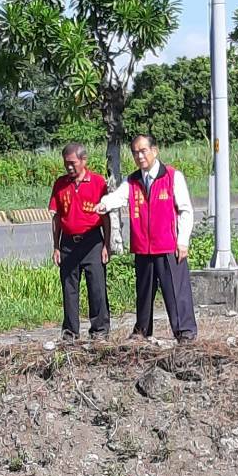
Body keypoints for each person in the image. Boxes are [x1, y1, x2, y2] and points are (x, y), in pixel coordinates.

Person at [94, 133, 197, 342]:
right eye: (135, 152)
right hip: (143, 247)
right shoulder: (132, 181)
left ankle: (185, 332)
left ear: (154, 151)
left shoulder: (171, 176)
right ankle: (142, 331)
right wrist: (104, 203)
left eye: (143, 151)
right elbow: (119, 197)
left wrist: (183, 241)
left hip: (168, 246)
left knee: (176, 293)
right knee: (144, 294)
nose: (140, 156)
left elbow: (186, 210)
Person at [47, 143, 111, 339]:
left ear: (84, 161)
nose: (69, 167)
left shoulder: (98, 182)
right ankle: (70, 333)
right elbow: (56, 217)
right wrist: (56, 246)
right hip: (68, 243)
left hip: (92, 241)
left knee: (97, 287)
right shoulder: (60, 184)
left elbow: (106, 217)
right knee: (69, 288)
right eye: (66, 163)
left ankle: (99, 330)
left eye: (73, 163)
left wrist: (107, 245)